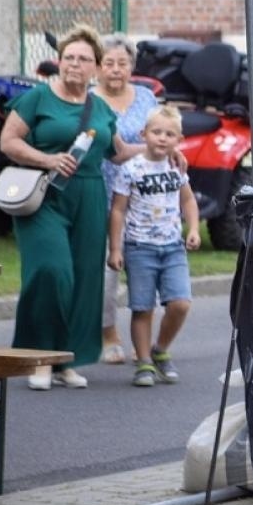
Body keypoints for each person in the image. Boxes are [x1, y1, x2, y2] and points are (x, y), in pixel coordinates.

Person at [0, 24, 139, 390]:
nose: (74, 64)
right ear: (59, 62)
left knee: (83, 281)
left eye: (83, 59)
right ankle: (39, 358)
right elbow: (8, 141)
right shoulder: (38, 98)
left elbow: (120, 152)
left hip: (90, 196)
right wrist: (47, 160)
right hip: (44, 196)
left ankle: (66, 360)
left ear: (95, 67)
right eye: (68, 58)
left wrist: (165, 152)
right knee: (51, 271)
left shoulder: (100, 107)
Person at [107, 104, 200, 387]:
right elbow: (118, 210)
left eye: (169, 134)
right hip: (139, 248)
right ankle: (144, 362)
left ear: (179, 140)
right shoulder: (131, 168)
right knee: (142, 307)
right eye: (156, 132)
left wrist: (193, 228)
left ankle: (160, 350)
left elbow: (187, 200)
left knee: (181, 303)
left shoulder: (176, 166)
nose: (162, 138)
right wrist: (116, 248)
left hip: (172, 247)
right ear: (143, 133)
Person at [94, 34, 160, 365]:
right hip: (102, 197)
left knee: (144, 269)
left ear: (132, 66)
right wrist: (149, 148)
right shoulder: (90, 100)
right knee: (108, 271)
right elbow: (115, 153)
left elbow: (167, 135)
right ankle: (108, 334)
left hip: (145, 200)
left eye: (122, 63)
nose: (116, 70)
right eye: (109, 63)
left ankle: (142, 339)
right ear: (98, 67)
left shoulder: (147, 97)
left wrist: (168, 152)